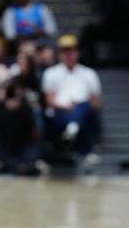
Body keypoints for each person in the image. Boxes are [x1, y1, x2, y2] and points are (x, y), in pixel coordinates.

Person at [41, 34, 101, 165]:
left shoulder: (89, 73)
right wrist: (66, 107)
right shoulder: (51, 73)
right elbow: (49, 100)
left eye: (71, 50)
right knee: (76, 114)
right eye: (65, 51)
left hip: (84, 109)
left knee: (82, 107)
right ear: (60, 54)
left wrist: (81, 107)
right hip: (60, 111)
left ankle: (72, 128)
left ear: (77, 52)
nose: (69, 54)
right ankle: (82, 142)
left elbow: (96, 102)